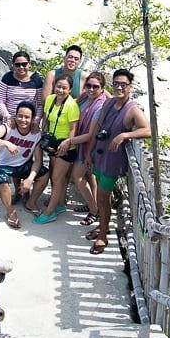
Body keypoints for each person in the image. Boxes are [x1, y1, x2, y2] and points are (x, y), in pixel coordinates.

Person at [85, 69, 151, 254]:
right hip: (99, 154)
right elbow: (97, 128)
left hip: (112, 160)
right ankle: (102, 226)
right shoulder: (108, 103)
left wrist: (125, 134)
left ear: (130, 87)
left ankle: (103, 236)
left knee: (103, 198)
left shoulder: (132, 109)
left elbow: (149, 130)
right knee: (101, 194)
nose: (119, 87)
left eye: (123, 84)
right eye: (116, 84)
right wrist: (89, 153)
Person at [0, 101, 48, 229]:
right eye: (20, 116)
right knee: (2, 181)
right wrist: (7, 143)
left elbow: (38, 160)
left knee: (45, 173)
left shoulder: (36, 134)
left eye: (27, 117)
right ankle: (10, 211)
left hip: (22, 164)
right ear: (15, 116)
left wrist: (30, 179)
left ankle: (31, 203)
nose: (23, 120)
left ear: (33, 119)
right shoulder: (8, 127)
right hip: (3, 165)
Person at [34, 75, 80, 224]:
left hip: (66, 147)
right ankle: (59, 204)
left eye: (64, 88)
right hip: (52, 143)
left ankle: (49, 212)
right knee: (56, 177)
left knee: (56, 178)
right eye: (58, 86)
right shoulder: (50, 99)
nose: (60, 90)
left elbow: (74, 128)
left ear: (70, 90)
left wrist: (67, 143)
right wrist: (45, 135)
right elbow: (46, 119)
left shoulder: (72, 106)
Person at [70, 71, 109, 226]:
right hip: (83, 144)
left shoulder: (100, 105)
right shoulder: (86, 97)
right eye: (88, 86)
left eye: (95, 87)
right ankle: (93, 204)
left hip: (91, 147)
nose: (91, 89)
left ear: (102, 89)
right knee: (89, 177)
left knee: (77, 177)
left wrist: (69, 141)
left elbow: (91, 135)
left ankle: (94, 211)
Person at [0, 51, 43, 126]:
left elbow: (40, 104)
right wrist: (8, 116)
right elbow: (1, 101)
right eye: (17, 65)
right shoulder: (7, 78)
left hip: (28, 123)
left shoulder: (36, 79)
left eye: (24, 64)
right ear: (13, 65)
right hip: (10, 122)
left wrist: (36, 120)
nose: (21, 67)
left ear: (29, 64)